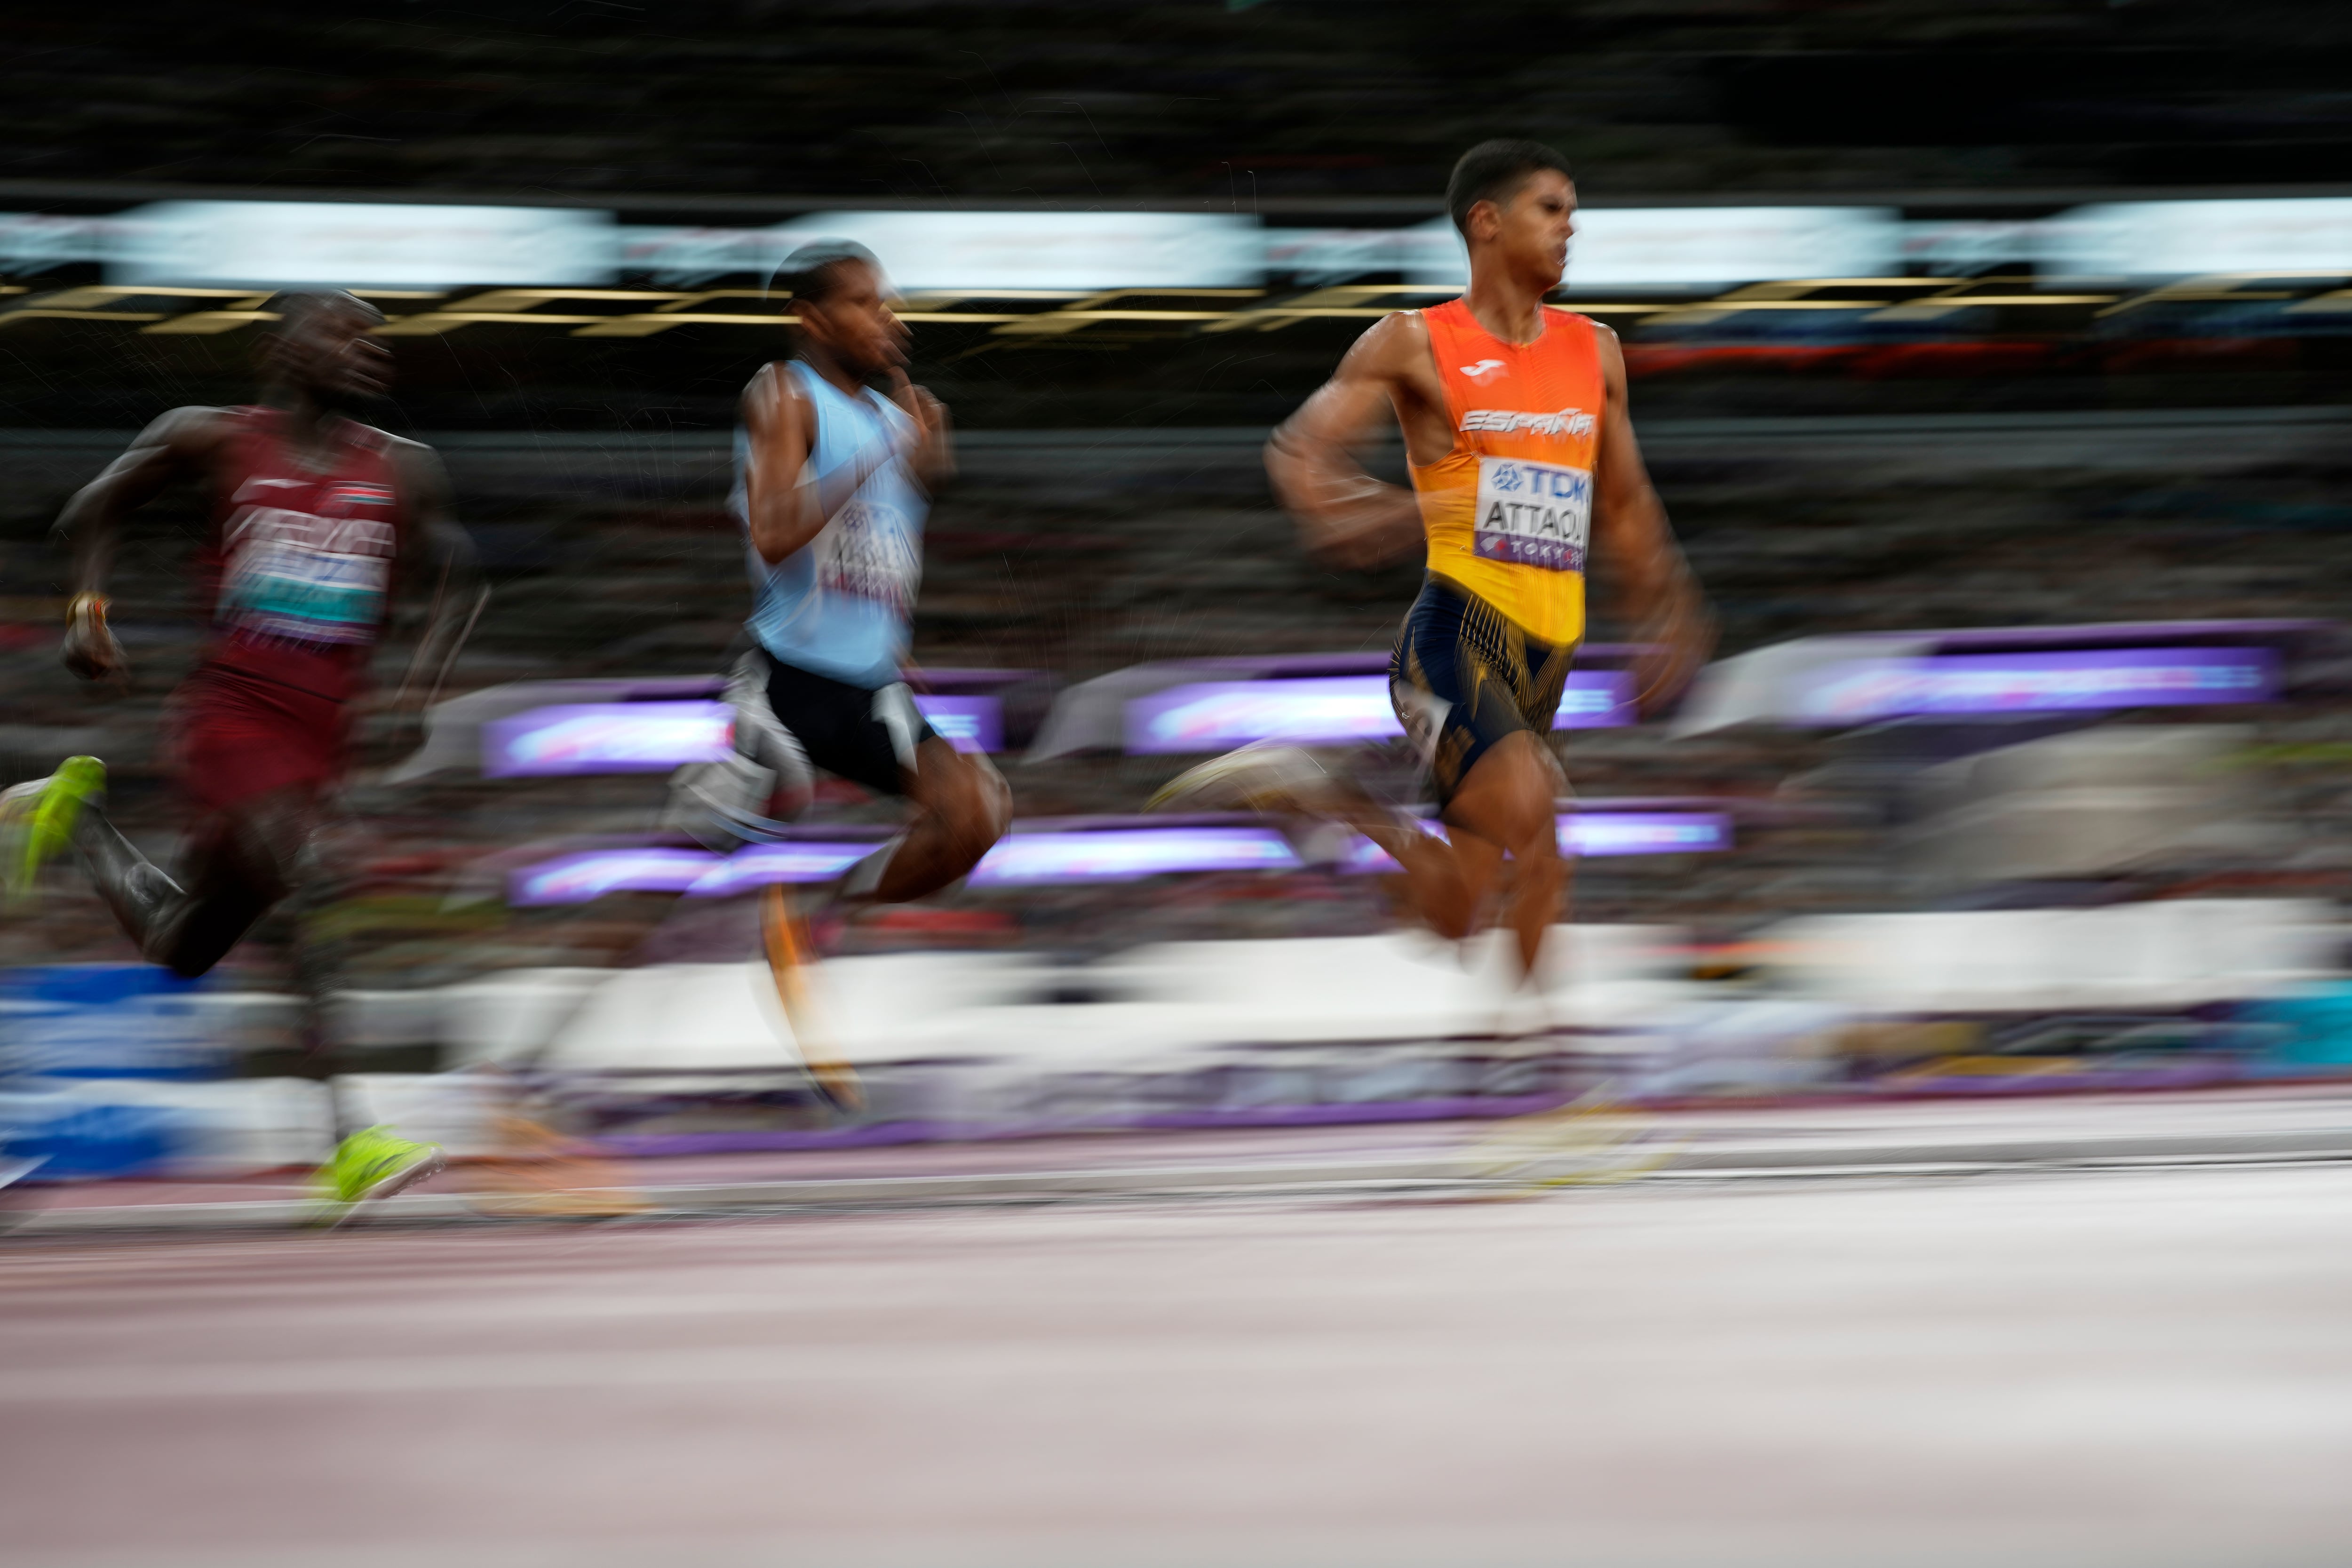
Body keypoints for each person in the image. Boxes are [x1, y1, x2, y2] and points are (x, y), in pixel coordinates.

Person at [1154, 140, 1713, 1005]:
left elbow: (1627, 500)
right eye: (1552, 209)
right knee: (1541, 834)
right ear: (1485, 222)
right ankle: (1547, 1075)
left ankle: (1320, 792)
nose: (1571, 229)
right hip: (1457, 631)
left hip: (1549, 652)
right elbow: (1301, 457)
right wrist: (1401, 511)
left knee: (1459, 909)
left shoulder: (1594, 350)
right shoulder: (1413, 343)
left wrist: (1669, 603)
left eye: (1574, 212)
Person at [4, 290, 482, 1219]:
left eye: (372, 341)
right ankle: (350, 1138)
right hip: (232, 714)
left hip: (320, 741)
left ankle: (78, 818)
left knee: (186, 943)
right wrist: (85, 614)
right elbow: (89, 508)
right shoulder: (212, 438)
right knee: (302, 874)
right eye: (339, 333)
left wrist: (422, 687)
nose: (364, 352)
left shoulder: (404, 469)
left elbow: (464, 576)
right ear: (279, 345)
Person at [665, 240, 1009, 1109]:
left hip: (872, 679)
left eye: (889, 303)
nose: (888, 320)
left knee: (978, 815)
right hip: (791, 680)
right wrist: (876, 454)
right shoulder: (784, 393)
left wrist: (925, 455)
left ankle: (815, 914)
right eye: (865, 304)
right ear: (811, 319)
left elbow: (898, 528)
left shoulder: (904, 410)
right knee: (682, 866)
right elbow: (776, 534)